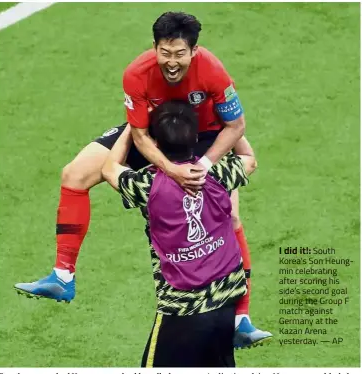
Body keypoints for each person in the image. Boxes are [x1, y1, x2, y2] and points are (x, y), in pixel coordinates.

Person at [14, 11, 272, 348]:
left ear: (194, 50)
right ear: (155, 47)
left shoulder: (213, 71)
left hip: (205, 137)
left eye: (180, 53)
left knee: (232, 216)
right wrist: (171, 169)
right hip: (151, 135)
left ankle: (241, 320)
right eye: (165, 53)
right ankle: (63, 276)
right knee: (74, 174)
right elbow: (137, 132)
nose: (172, 62)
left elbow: (236, 126)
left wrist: (205, 165)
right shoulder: (137, 74)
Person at [102, 100, 256, 367]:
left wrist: (134, 127)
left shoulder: (147, 186)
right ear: (196, 138)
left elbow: (109, 168)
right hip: (226, 302)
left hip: (181, 311)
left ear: (155, 145)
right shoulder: (218, 174)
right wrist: (228, 124)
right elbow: (249, 159)